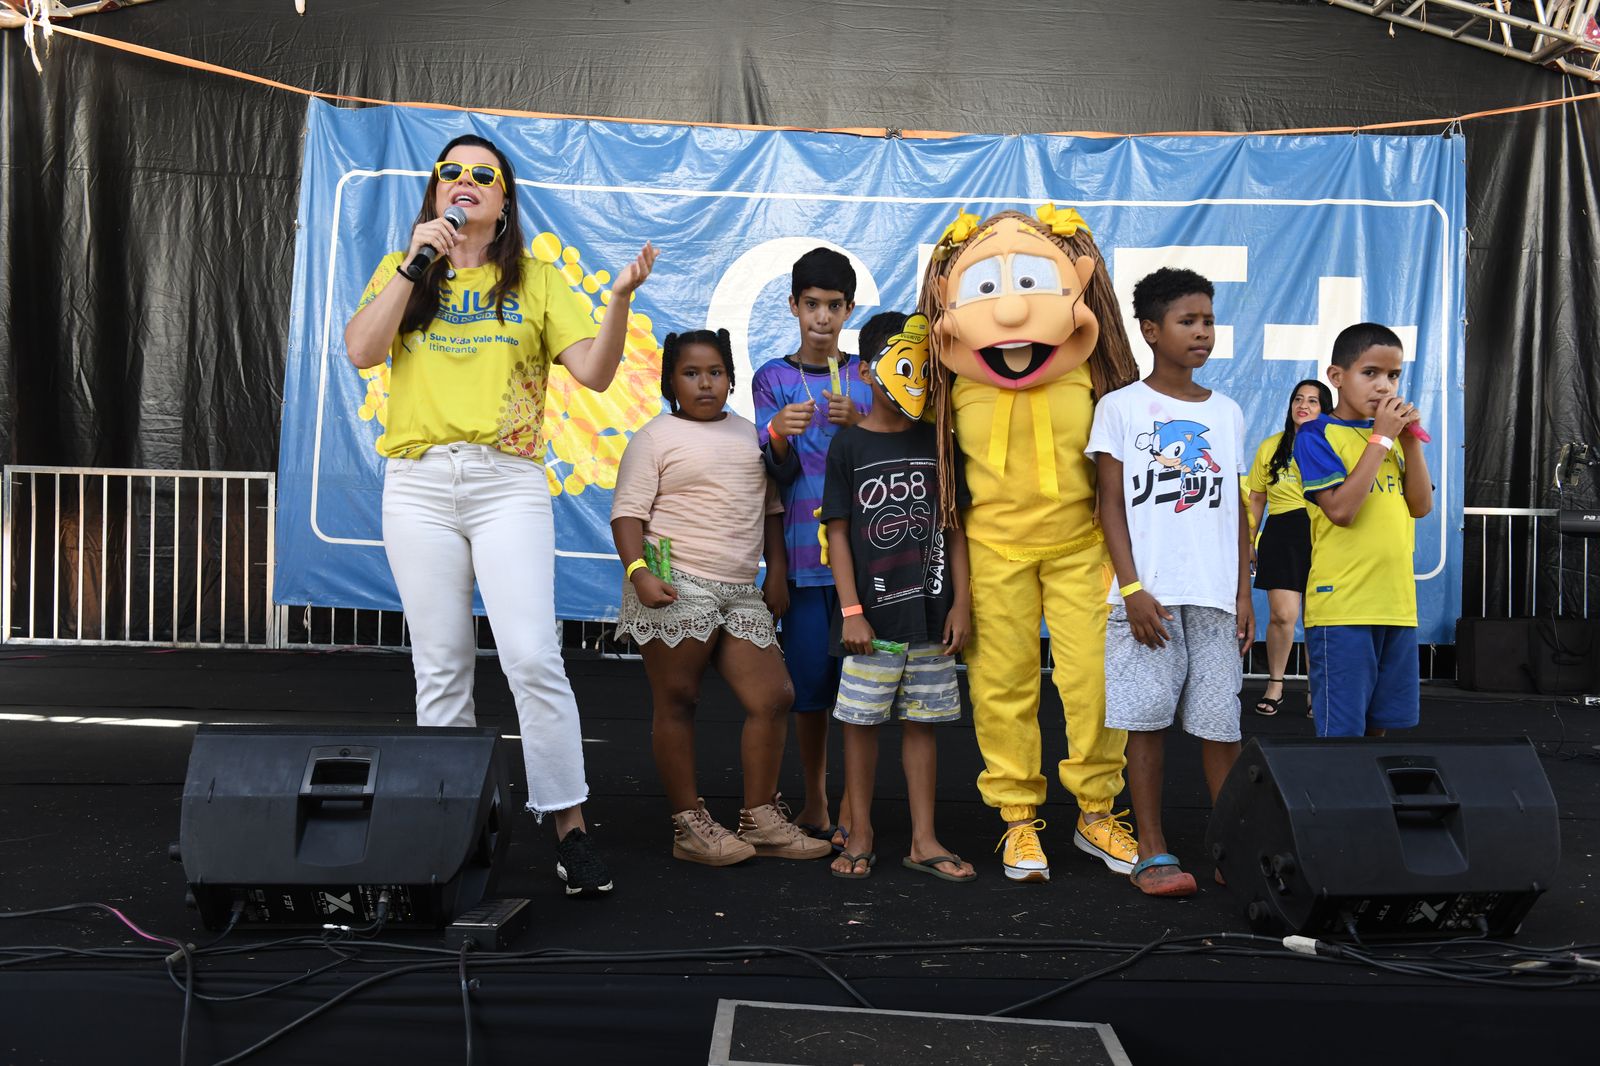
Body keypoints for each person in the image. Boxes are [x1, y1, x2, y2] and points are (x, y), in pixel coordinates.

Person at [344, 134, 656, 898]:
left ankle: (570, 830)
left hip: (506, 481)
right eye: (451, 172)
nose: (465, 182)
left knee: (531, 657)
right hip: (417, 484)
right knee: (441, 664)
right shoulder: (402, 270)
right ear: (434, 192)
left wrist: (616, 303)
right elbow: (360, 350)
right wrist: (415, 262)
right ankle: (450, 830)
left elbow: (595, 370)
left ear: (505, 200)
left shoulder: (540, 282)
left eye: (483, 174)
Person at [917, 206, 1141, 883]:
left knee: (1094, 682)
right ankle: (1018, 821)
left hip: (1082, 545)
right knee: (1002, 687)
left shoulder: (1095, 377)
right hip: (993, 551)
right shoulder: (951, 382)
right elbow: (943, 482)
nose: (1012, 313)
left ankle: (1097, 810)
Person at [611, 329, 833, 867]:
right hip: (674, 582)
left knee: (774, 696)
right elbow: (626, 515)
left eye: (715, 372)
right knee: (679, 700)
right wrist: (639, 573)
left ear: (731, 378)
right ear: (671, 381)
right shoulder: (654, 438)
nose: (705, 383)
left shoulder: (750, 436)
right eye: (691, 373)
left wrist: (776, 572)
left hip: (739, 591)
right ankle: (689, 826)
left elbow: (773, 513)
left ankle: (760, 819)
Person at [1087, 268, 1252, 898]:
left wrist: (1243, 593)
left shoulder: (1228, 411)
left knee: (1222, 726)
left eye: (1208, 320)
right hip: (1147, 598)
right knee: (1147, 723)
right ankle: (1151, 849)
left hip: (1214, 597)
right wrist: (1131, 591)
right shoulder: (1121, 407)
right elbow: (1109, 505)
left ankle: (1233, 845)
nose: (1203, 332)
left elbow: (1235, 509)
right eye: (1188, 321)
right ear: (1151, 331)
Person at [820, 311, 976, 883]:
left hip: (933, 620)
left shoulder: (941, 443)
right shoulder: (848, 445)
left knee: (922, 725)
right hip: (871, 624)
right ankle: (858, 831)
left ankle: (923, 838)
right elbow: (836, 531)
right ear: (866, 370)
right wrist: (852, 611)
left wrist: (961, 602)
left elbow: (954, 527)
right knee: (859, 725)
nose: (919, 378)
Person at [751, 248, 875, 851]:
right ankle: (817, 799)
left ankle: (856, 806)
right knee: (808, 692)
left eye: (833, 306)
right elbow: (772, 475)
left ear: (849, 309)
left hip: (867, 569)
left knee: (864, 691)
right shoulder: (773, 378)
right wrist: (778, 433)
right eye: (811, 305)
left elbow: (891, 458)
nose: (822, 318)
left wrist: (862, 422)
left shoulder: (869, 378)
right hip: (802, 563)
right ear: (793, 306)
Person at [1294, 323, 1433, 738]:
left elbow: (1421, 507)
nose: (1384, 386)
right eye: (1370, 373)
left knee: (1381, 728)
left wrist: (1409, 444)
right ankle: (1338, 803)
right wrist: (1381, 440)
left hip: (1395, 605)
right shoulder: (1316, 435)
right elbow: (1339, 510)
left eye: (1393, 376)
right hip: (1343, 609)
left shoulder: (1391, 440)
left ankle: (1370, 803)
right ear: (1337, 377)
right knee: (1342, 734)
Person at [1246, 379, 1333, 718]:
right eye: (1299, 398)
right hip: (1282, 533)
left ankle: (1317, 690)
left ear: (1324, 409)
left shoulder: (1333, 445)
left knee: (1317, 618)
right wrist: (1250, 541)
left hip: (1324, 533)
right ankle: (1276, 686)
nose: (1304, 405)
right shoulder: (1272, 446)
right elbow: (1255, 498)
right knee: (1284, 615)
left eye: (1313, 401)